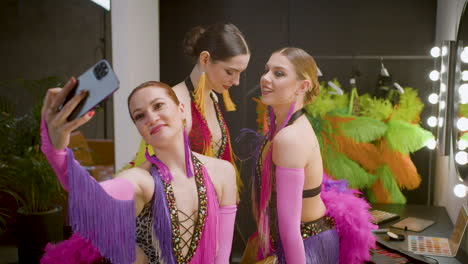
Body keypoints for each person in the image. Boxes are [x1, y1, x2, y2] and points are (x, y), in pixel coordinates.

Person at [40, 80, 237, 263]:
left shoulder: (223, 172)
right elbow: (89, 194)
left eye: (158, 105)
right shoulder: (140, 180)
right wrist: (56, 148)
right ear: (139, 129)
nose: (151, 118)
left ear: (182, 110)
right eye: (140, 116)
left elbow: (222, 256)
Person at [241, 47, 376, 264]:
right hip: (296, 241)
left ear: (302, 86)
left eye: (279, 73)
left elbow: (289, 227)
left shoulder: (289, 138)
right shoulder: (285, 129)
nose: (265, 78)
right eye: (267, 70)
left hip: (303, 248)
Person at [132, 23, 250, 193]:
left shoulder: (213, 97)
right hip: (180, 209)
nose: (237, 81)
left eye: (240, 73)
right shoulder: (171, 102)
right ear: (205, 59)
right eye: (230, 72)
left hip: (211, 203)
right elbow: (153, 166)